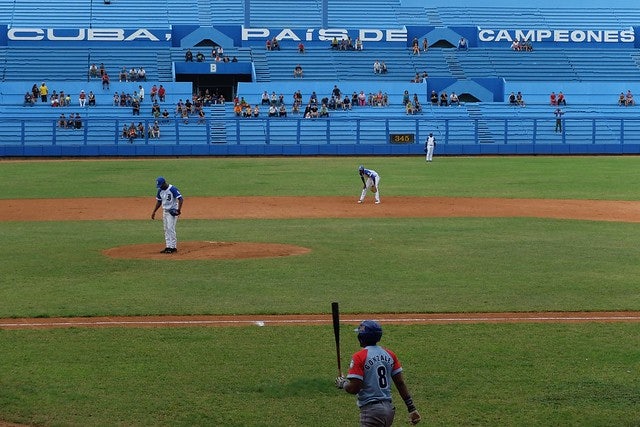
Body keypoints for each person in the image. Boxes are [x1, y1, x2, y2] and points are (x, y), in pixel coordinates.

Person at [335, 320, 421, 426]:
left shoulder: (359, 356)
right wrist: (411, 408)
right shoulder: (390, 354)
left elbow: (354, 388)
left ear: (361, 337)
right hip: (389, 410)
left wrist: (343, 383)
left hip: (372, 412)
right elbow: (400, 383)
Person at [151, 176, 184, 254]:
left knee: (170, 228)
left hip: (172, 212)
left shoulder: (172, 189)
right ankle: (168, 246)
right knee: (166, 229)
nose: (160, 187)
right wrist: (154, 211)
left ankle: (173, 247)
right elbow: (159, 202)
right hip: (165, 211)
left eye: (161, 185)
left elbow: (181, 199)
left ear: (164, 183)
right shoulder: (160, 191)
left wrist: (178, 210)